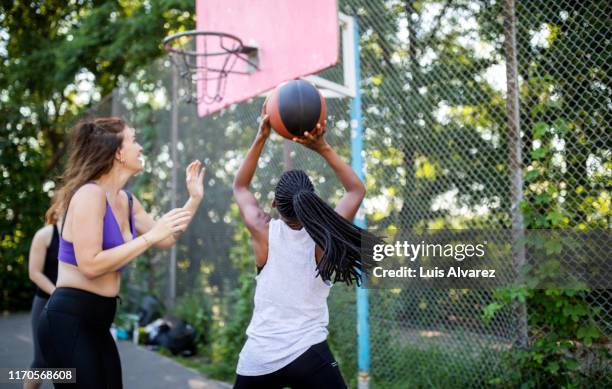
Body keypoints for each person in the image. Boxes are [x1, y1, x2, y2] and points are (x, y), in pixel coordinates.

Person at [37, 117, 205, 389]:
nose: (140, 147)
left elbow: (168, 238)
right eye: (134, 140)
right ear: (117, 153)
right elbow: (90, 265)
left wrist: (194, 198)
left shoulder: (127, 201)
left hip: (99, 324)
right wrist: (150, 237)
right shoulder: (89, 194)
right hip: (68, 321)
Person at [232, 105, 377, 388]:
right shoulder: (326, 235)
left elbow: (240, 187)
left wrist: (261, 136)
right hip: (309, 355)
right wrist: (321, 146)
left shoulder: (263, 232)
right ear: (312, 200)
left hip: (260, 357)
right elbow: (356, 190)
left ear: (275, 204)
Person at [25, 202, 61, 389]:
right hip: (45, 303)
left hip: (71, 308)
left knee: (69, 363)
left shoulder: (82, 237)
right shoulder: (45, 235)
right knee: (40, 364)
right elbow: (34, 273)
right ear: (58, 207)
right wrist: (59, 294)